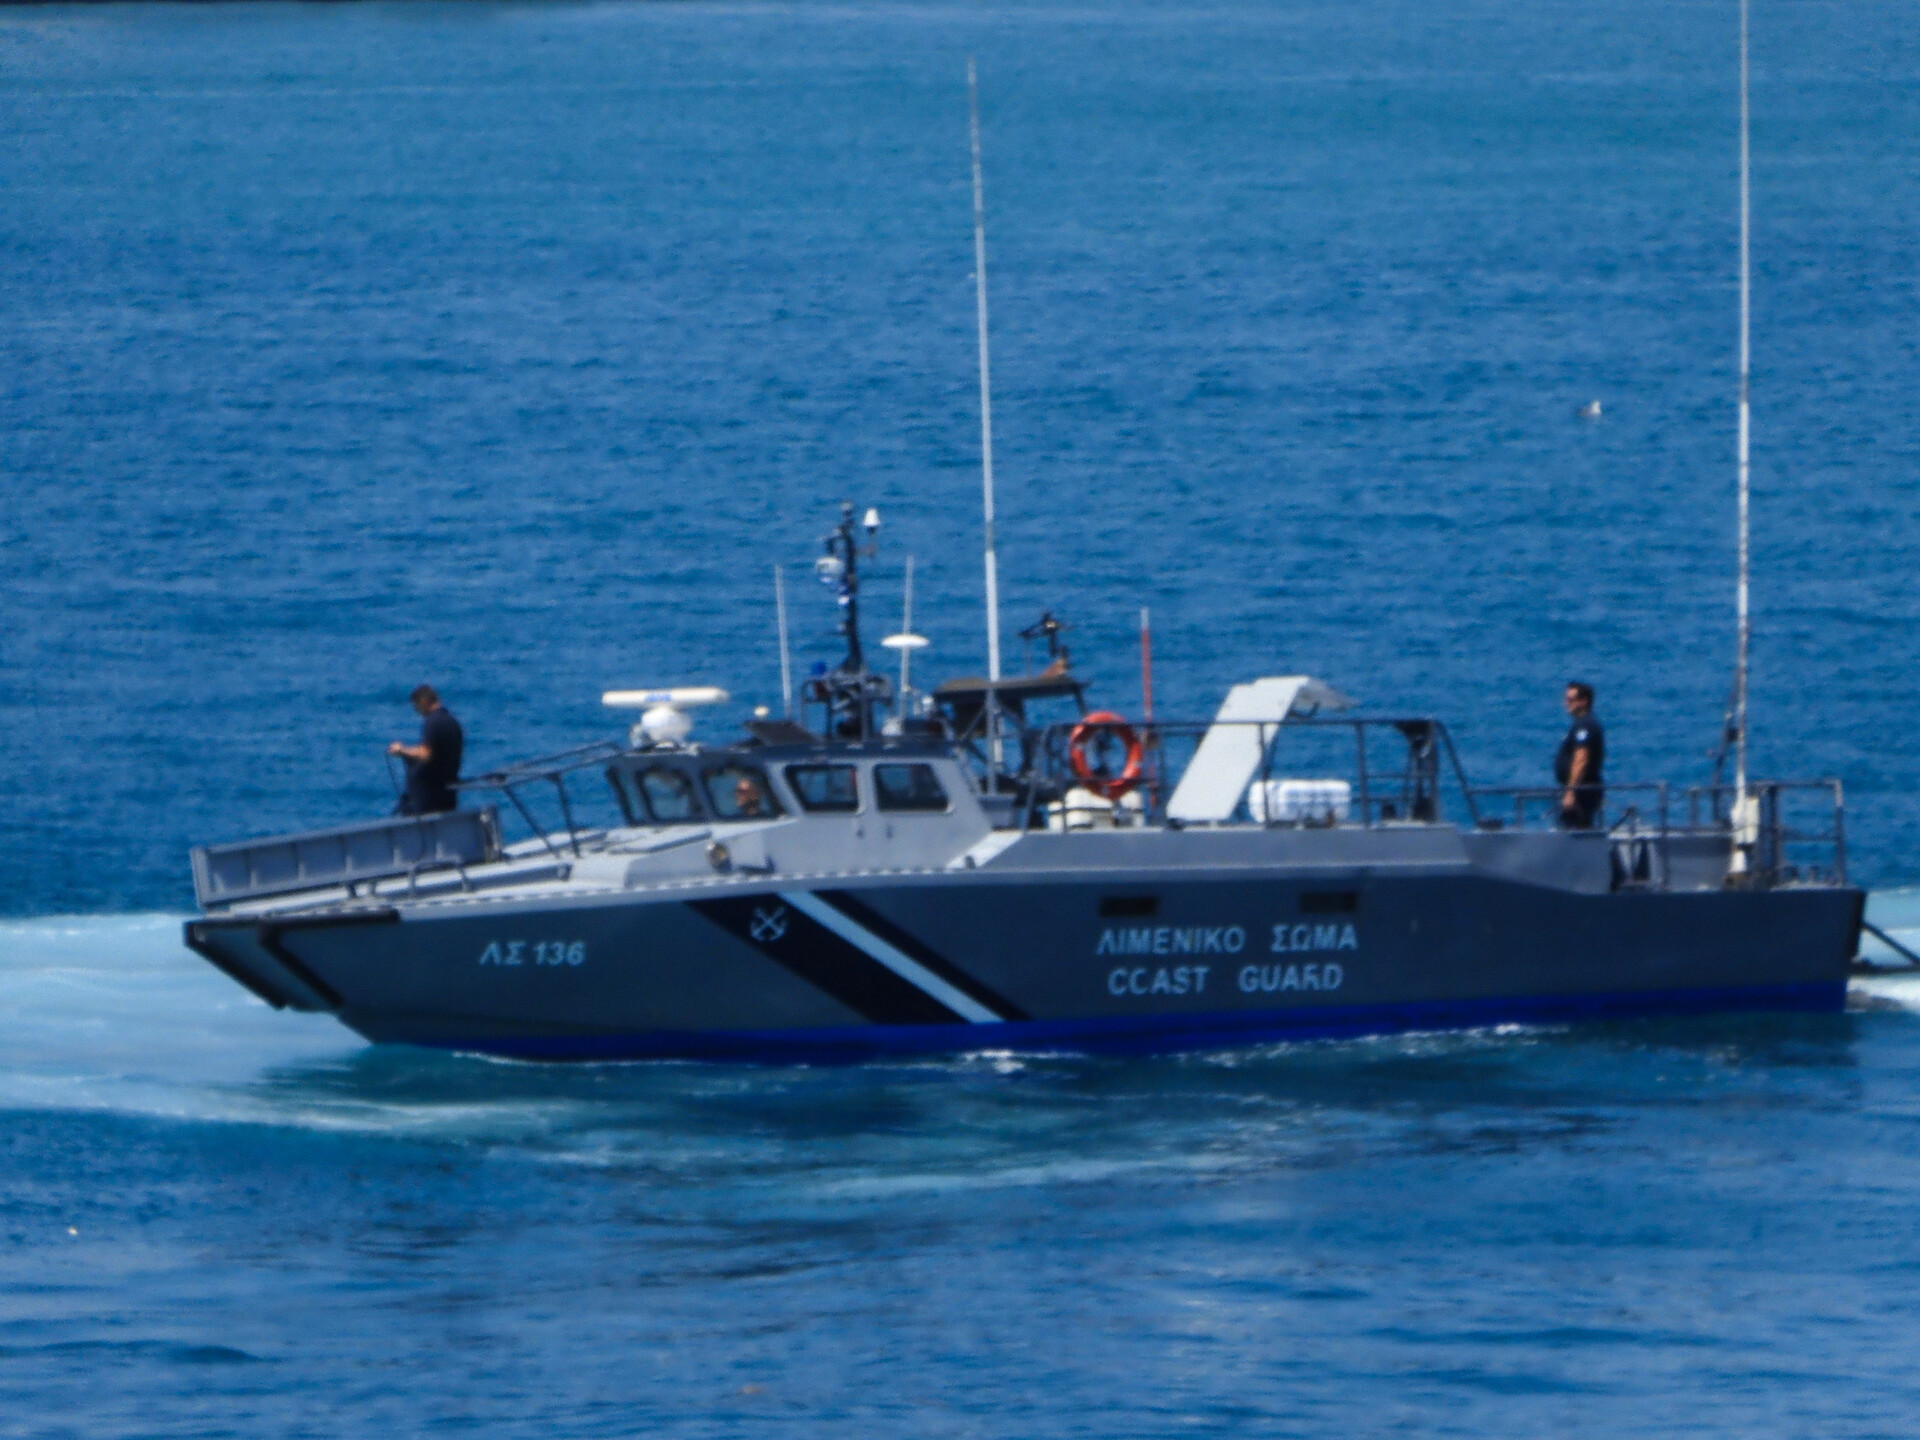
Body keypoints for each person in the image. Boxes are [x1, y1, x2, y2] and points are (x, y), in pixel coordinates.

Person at [388, 685, 464, 816]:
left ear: (423, 702)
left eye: (416, 706)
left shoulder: (432, 722)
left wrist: (402, 750)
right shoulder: (452, 722)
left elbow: (425, 753)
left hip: (427, 797)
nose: (417, 711)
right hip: (447, 793)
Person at [1554, 681, 1606, 829]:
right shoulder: (1580, 725)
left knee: (1577, 829)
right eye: (1566, 699)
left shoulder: (1585, 726)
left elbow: (1581, 759)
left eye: (1571, 700)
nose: (1566, 703)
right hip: (1579, 790)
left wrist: (1571, 791)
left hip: (1582, 792)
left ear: (1584, 701)